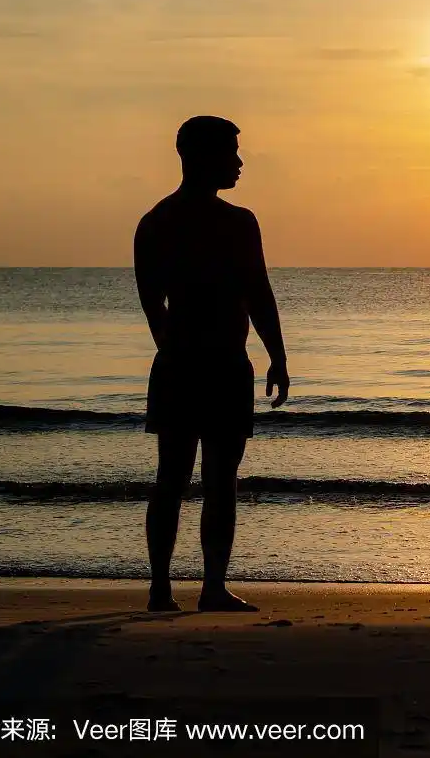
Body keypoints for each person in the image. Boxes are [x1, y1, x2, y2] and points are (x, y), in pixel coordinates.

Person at [133, 116, 289, 612]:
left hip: (203, 364)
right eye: (231, 153)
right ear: (200, 157)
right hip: (207, 365)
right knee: (191, 478)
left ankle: (191, 587)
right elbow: (155, 302)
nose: (240, 163)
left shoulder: (166, 221)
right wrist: (274, 355)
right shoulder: (188, 223)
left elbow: (255, 294)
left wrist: (276, 355)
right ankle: (181, 587)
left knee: (194, 478)